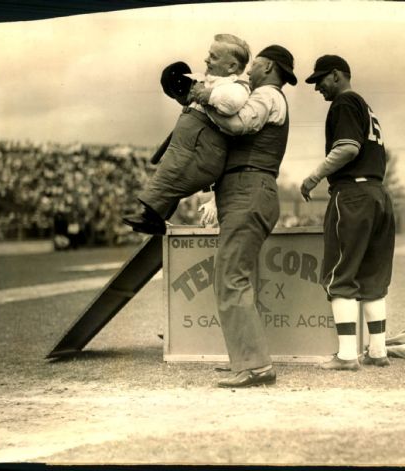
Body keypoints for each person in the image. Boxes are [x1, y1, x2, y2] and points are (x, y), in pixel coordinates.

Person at [194, 45, 297, 388]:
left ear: (266, 67)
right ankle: (246, 358)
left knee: (229, 277)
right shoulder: (272, 95)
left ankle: (254, 366)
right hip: (249, 190)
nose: (247, 72)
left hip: (248, 190)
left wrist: (204, 100)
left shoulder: (267, 93)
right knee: (237, 277)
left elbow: (238, 124)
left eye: (253, 66)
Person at [300, 55, 395, 371]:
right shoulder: (365, 106)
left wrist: (313, 177)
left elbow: (348, 148)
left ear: (337, 75)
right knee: (372, 276)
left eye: (321, 80)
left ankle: (346, 355)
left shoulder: (344, 102)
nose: (318, 88)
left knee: (340, 274)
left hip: (352, 194)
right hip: (378, 194)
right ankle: (378, 351)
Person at [122, 34, 251, 235]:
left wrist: (206, 95)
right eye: (209, 55)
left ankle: (152, 217)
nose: (207, 60)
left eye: (214, 57)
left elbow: (232, 102)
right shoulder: (210, 82)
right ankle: (153, 217)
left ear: (232, 67)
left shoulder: (235, 88)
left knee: (171, 176)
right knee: (169, 178)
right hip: (192, 144)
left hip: (200, 148)